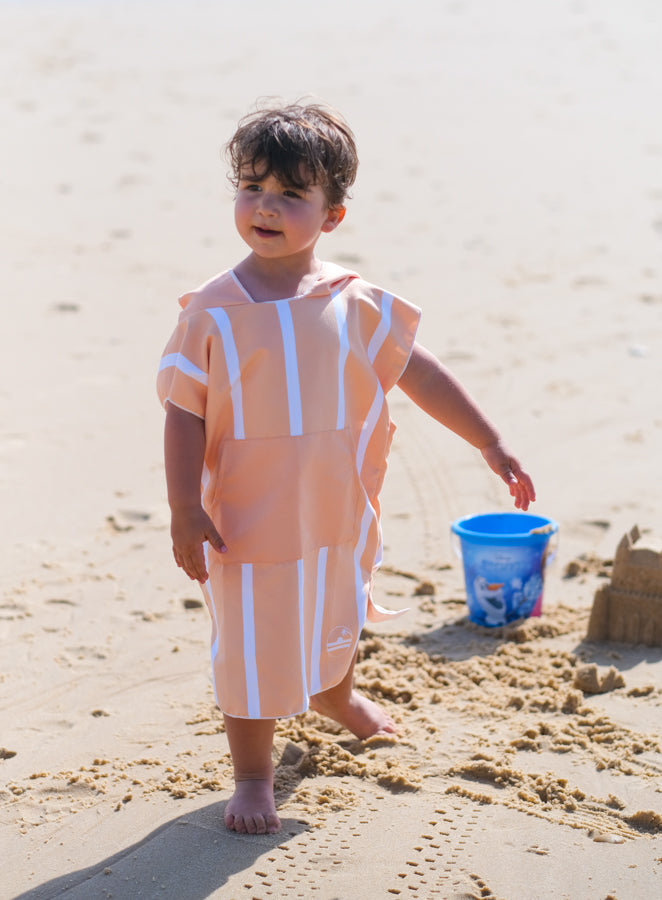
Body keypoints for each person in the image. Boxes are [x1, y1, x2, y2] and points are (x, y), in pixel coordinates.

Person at [157, 101, 535, 836]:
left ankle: (334, 693)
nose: (265, 206)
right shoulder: (212, 310)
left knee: (335, 607)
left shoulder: (351, 301)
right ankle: (254, 774)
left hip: (332, 506)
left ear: (330, 215)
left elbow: (418, 374)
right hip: (243, 517)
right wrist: (183, 508)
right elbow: (182, 411)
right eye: (252, 186)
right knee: (252, 644)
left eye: (291, 195)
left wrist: (488, 441)